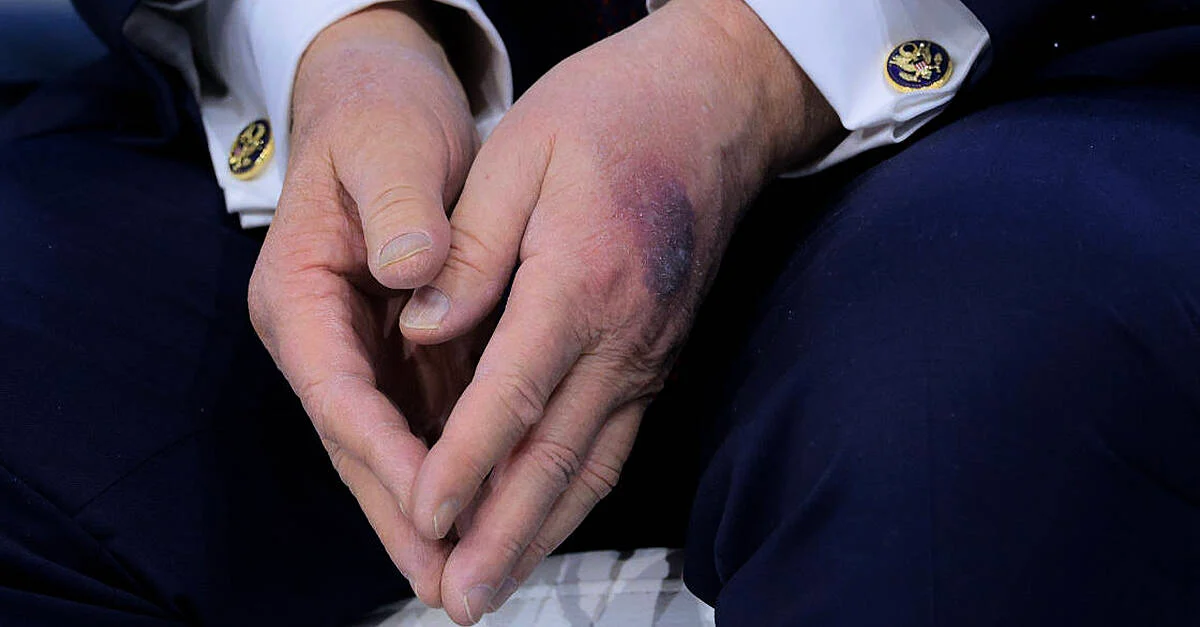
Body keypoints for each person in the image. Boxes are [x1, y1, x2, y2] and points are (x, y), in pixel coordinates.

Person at [1, 0, 1198, 625]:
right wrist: (346, 40)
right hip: (347, 114)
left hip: (1026, 91)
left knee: (973, 421)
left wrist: (748, 53)